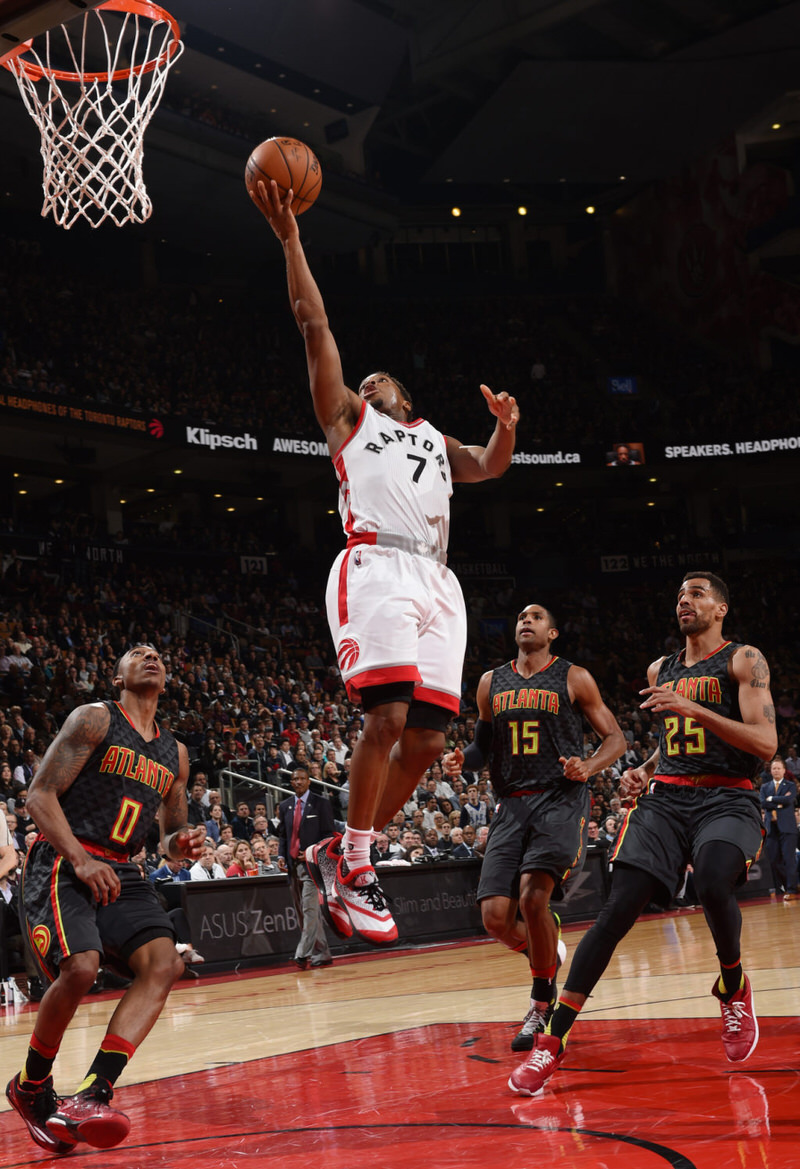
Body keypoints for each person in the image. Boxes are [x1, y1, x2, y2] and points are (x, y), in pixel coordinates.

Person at [252, 176, 519, 947]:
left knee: (430, 740)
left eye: (379, 377)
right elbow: (313, 321)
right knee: (389, 715)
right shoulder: (349, 418)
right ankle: (359, 857)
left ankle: (344, 849)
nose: (367, 380)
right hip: (375, 566)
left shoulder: (436, 437)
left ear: (406, 391)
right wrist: (292, 239)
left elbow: (491, 466)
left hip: (439, 579)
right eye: (361, 378)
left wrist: (504, 427)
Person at [509, 572, 777, 1095]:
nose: (685, 599)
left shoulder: (745, 659)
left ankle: (733, 985)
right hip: (667, 800)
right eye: (680, 592)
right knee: (614, 913)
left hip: (728, 794)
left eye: (697, 593)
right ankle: (552, 1044)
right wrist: (647, 769)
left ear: (721, 609)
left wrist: (691, 706)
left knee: (715, 881)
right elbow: (674, 740)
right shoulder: (661, 668)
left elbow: (765, 743)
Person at [5, 643, 205, 1152]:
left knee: (165, 964)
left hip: (121, 867)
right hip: (63, 859)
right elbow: (39, 795)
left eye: (158, 653)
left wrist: (178, 843)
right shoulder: (95, 719)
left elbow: (170, 833)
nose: (151, 656)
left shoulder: (174, 753)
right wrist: (79, 859)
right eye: (137, 653)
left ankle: (94, 1092)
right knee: (81, 967)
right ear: (118, 677)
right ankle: (31, 1086)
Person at [444, 603, 624, 1054]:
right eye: (521, 616)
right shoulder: (491, 682)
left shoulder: (573, 676)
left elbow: (615, 738)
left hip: (559, 800)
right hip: (511, 805)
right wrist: (460, 760)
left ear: (553, 632)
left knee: (532, 897)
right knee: (495, 920)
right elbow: (482, 747)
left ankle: (540, 1004)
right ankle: (544, 947)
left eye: (537, 617)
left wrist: (590, 766)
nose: (526, 620)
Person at [277, 767, 336, 969]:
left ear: (309, 781)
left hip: (312, 865)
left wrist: (313, 852)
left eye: (302, 778)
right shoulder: (285, 806)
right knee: (303, 912)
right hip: (293, 866)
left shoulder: (321, 804)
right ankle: (322, 953)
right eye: (295, 779)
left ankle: (302, 953)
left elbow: (329, 836)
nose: (298, 782)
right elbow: (283, 835)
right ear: (291, 782)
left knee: (310, 909)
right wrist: (281, 856)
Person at [760, 755, 798, 900]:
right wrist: (778, 802)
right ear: (770, 771)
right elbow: (763, 803)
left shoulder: (790, 785)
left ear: (784, 770)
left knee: (789, 859)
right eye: (773, 768)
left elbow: (789, 800)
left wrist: (772, 799)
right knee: (774, 860)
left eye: (778, 768)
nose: (776, 771)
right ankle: (788, 884)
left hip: (787, 828)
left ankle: (791, 889)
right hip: (772, 828)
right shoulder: (765, 787)